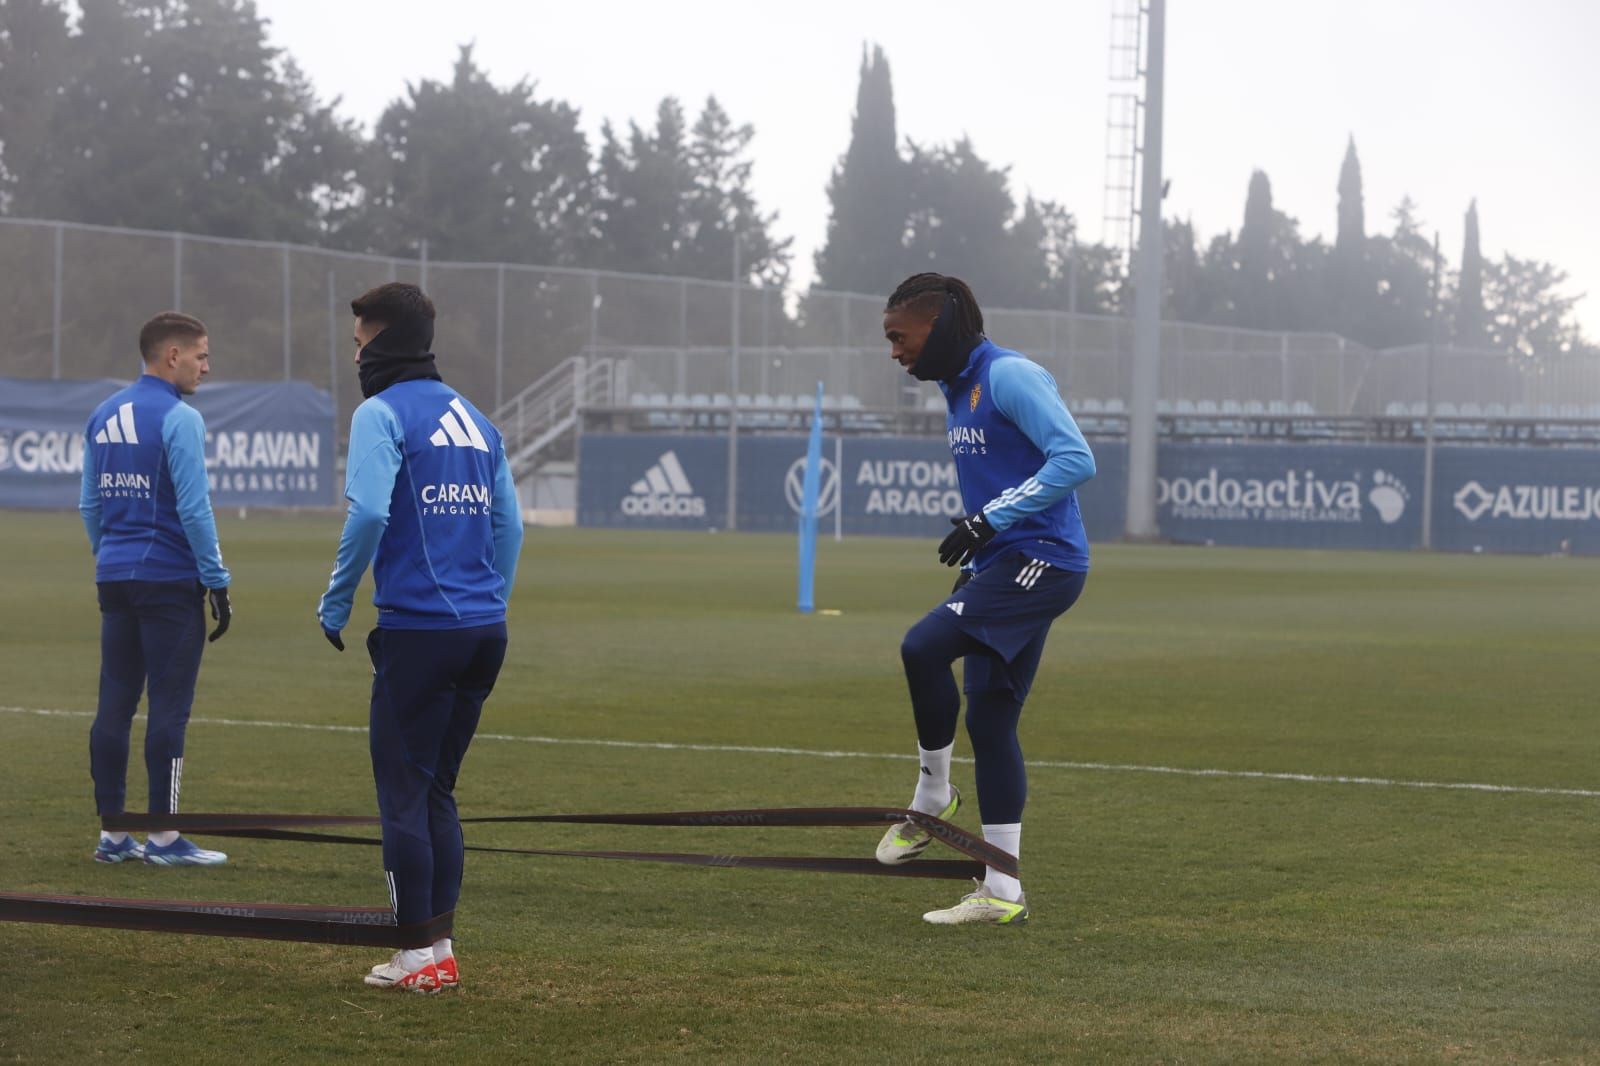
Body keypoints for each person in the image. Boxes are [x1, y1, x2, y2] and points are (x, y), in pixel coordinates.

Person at [317, 283, 523, 993]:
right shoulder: (477, 418)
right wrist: (490, 599)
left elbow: (370, 511)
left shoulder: (379, 413)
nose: (355, 355)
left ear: (382, 340)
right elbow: (510, 529)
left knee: (403, 794)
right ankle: (438, 950)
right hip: (482, 630)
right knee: (438, 793)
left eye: (359, 341)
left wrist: (337, 599)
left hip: (420, 631)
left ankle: (414, 956)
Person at [874, 273, 1096, 925]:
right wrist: (982, 541)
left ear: (939, 325)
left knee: (922, 647)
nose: (893, 352)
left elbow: (1076, 458)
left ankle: (932, 798)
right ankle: (1001, 893)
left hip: (1042, 561)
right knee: (991, 722)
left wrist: (991, 518)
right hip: (999, 562)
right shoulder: (953, 384)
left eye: (899, 337)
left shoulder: (1010, 376)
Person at [79, 311, 233, 867]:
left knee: (113, 706)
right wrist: (216, 580)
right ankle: (165, 839)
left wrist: (111, 559)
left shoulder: (101, 413)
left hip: (114, 577)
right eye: (201, 355)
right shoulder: (179, 417)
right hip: (168, 580)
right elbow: (194, 508)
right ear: (172, 356)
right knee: (169, 708)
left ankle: (114, 836)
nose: (206, 367)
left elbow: (89, 505)